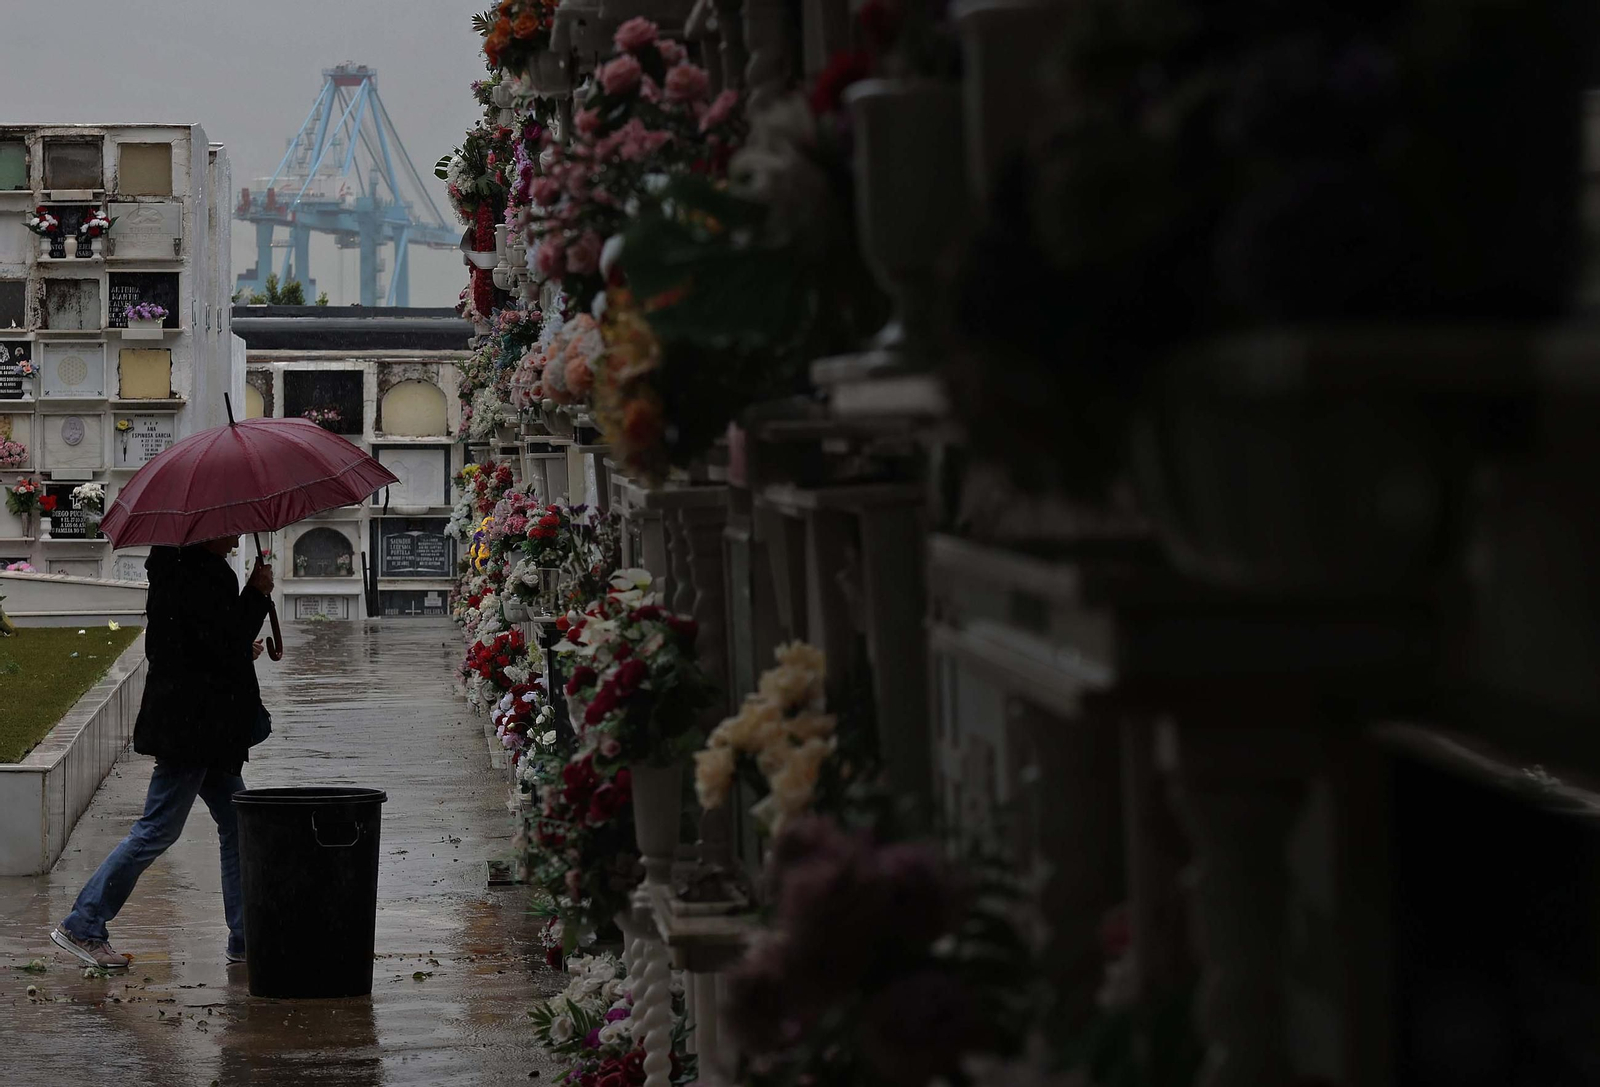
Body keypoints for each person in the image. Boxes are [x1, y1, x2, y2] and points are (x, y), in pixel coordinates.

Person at [51, 537, 274, 969]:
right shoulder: (202, 574)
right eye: (230, 530)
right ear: (205, 531)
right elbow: (217, 644)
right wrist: (256, 595)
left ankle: (246, 938)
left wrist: (240, 632)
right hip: (194, 728)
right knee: (158, 828)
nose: (236, 537)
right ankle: (84, 922)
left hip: (199, 726)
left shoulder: (176, 569)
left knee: (238, 824)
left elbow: (197, 643)